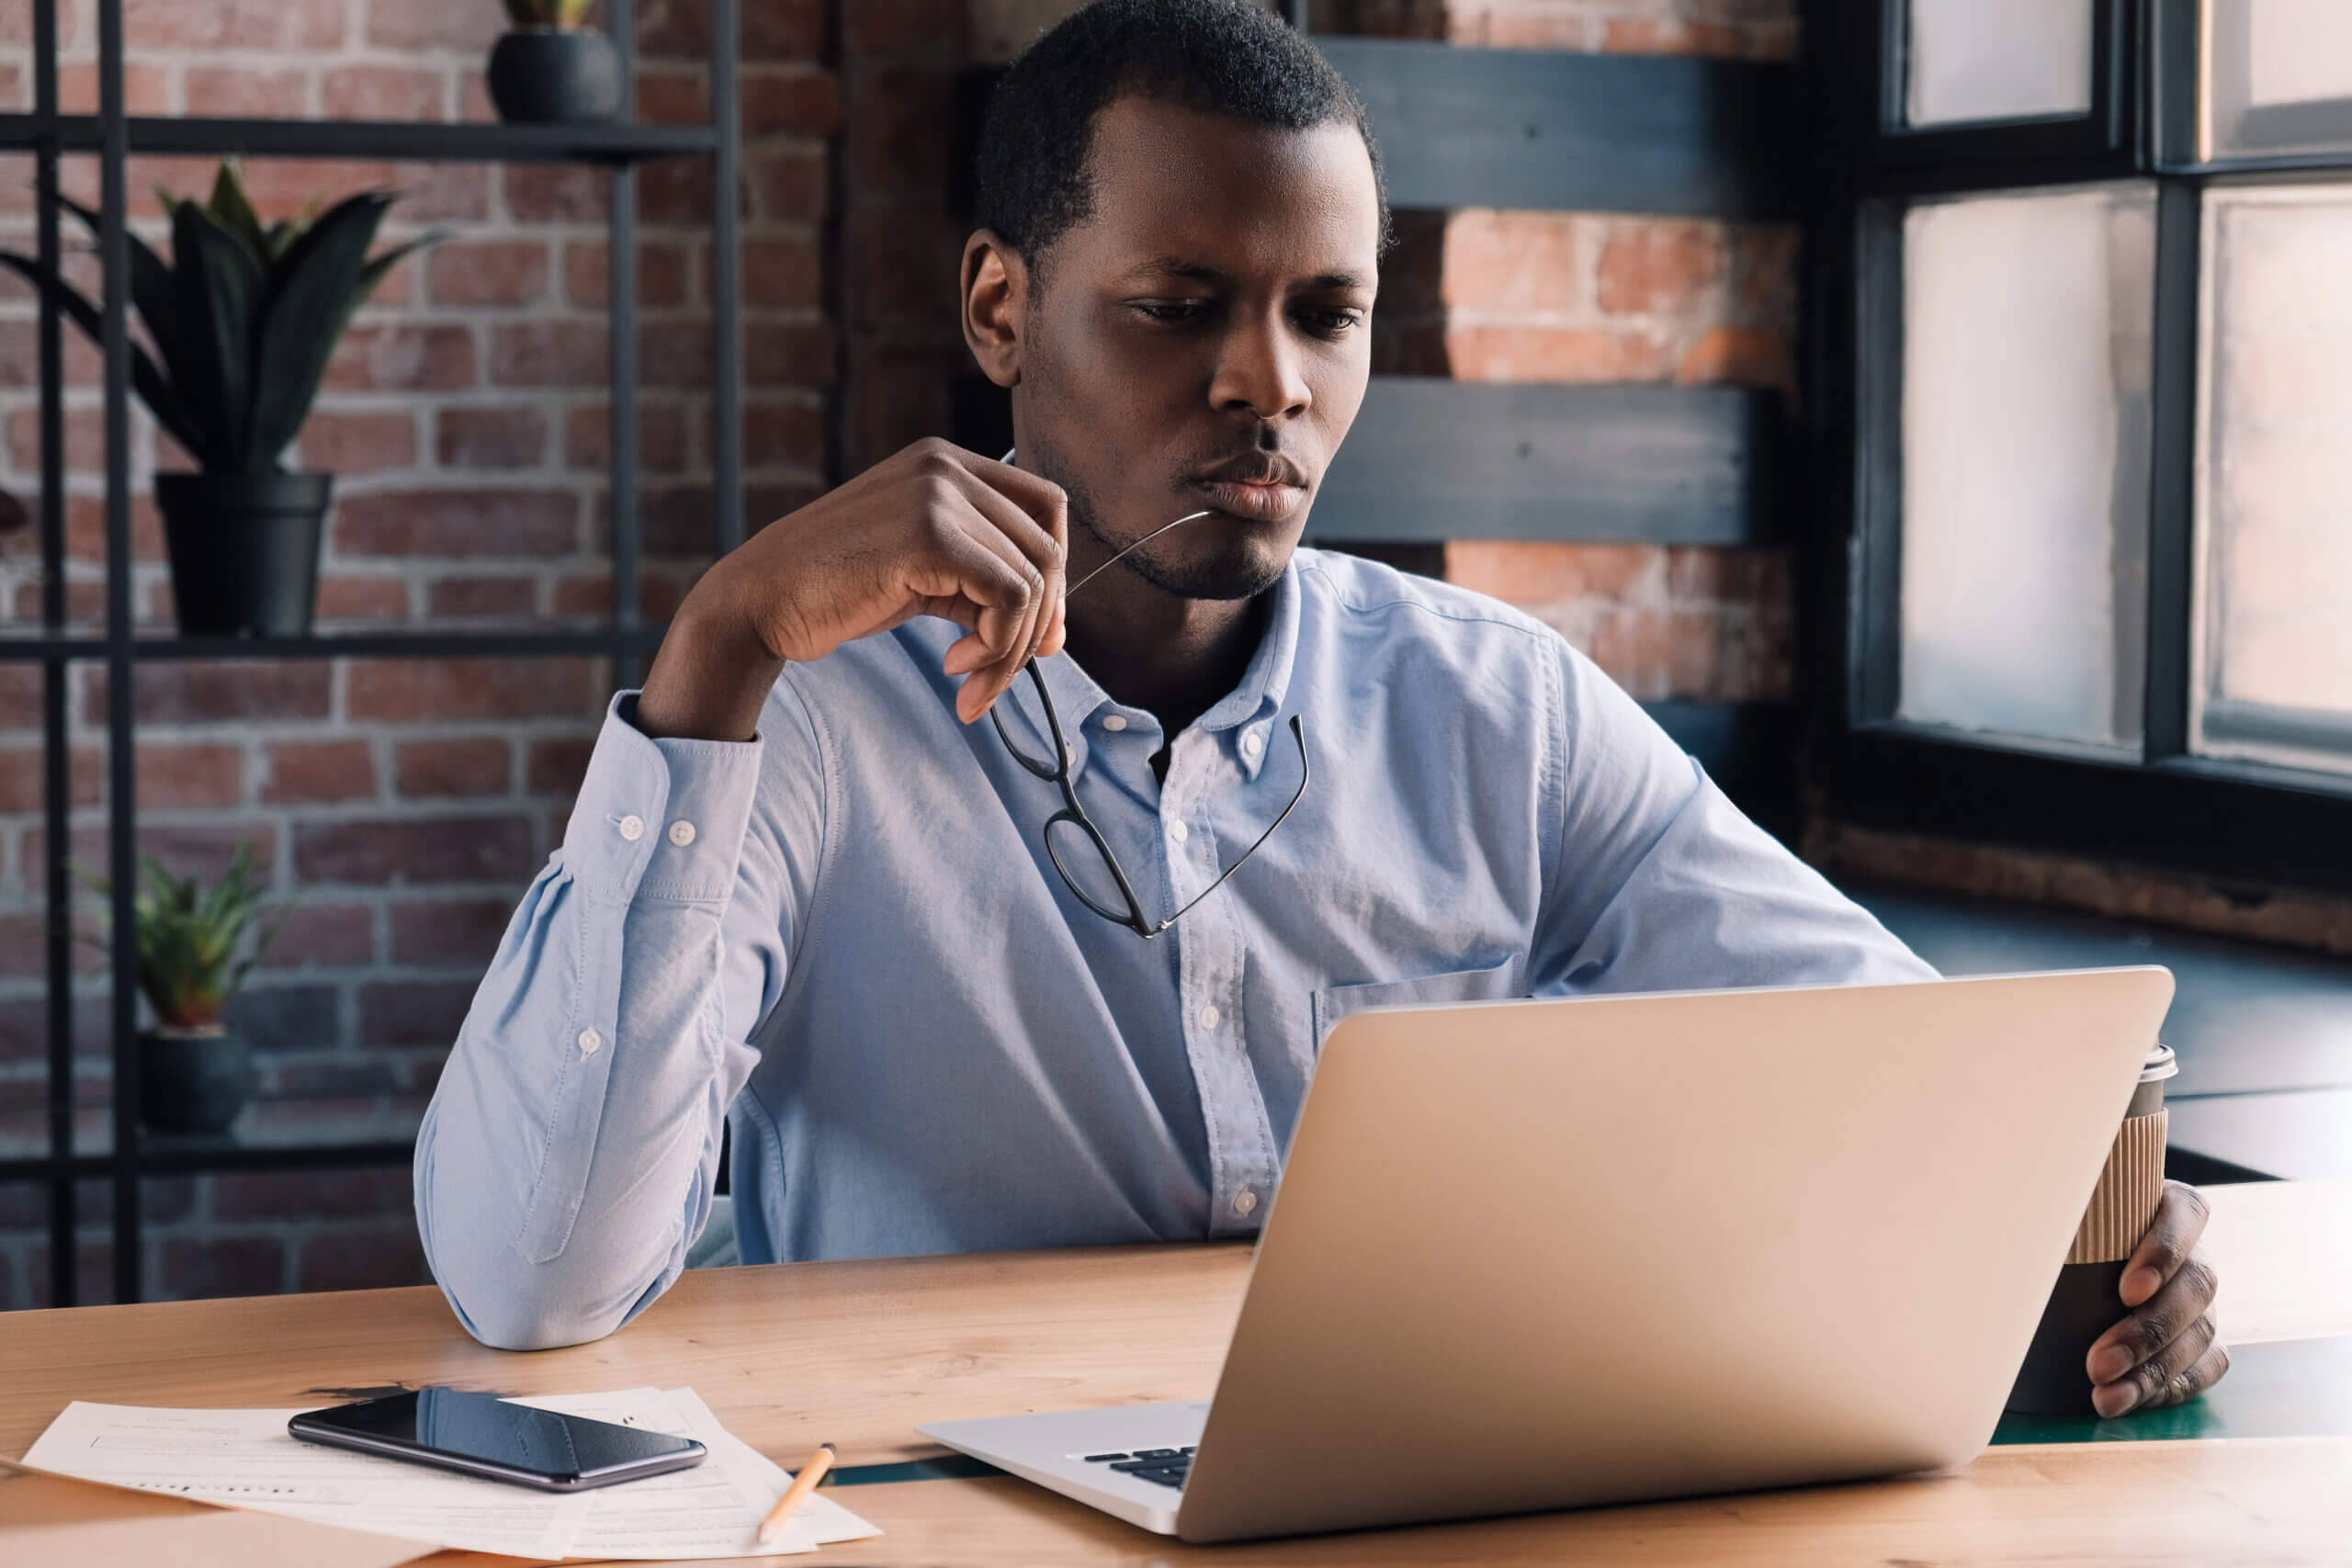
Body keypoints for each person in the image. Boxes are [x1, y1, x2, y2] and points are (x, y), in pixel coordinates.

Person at [414, 0, 2224, 1419]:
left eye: (1325, 312)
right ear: (996, 308)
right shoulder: (803, 725)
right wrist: (720, 643)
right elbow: (529, 1274)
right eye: (1176, 304)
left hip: (1411, 1492)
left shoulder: (1488, 704)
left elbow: (1905, 1067)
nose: (1264, 383)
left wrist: (2116, 1217)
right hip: (927, 1499)